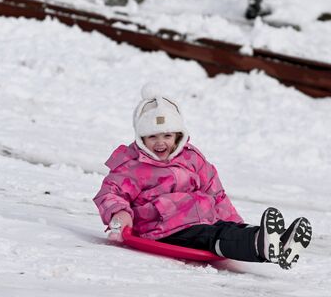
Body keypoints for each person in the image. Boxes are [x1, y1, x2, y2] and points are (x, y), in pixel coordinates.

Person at [93, 83, 312, 269]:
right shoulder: (132, 165)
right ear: (141, 138)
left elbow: (215, 193)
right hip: (164, 229)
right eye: (152, 137)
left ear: (178, 135)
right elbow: (111, 192)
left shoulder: (193, 159)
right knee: (215, 238)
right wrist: (120, 215)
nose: (160, 143)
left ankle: (277, 243)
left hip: (203, 220)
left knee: (229, 229)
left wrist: (234, 221)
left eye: (167, 135)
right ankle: (261, 245)